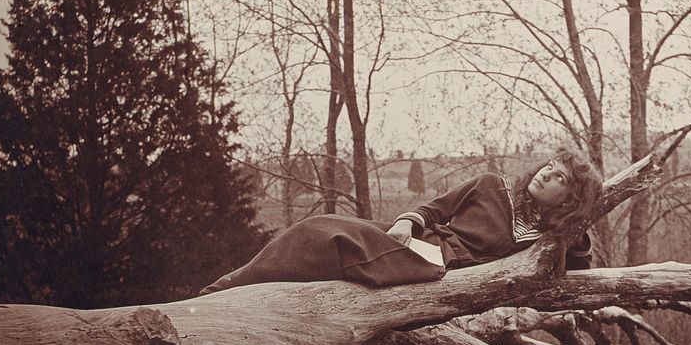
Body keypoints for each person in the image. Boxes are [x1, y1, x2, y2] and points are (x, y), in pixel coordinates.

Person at [198, 147, 602, 295]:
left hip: (436, 269)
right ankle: (224, 288)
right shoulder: (490, 184)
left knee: (335, 242)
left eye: (560, 177)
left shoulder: (544, 240)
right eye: (548, 166)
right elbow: (433, 210)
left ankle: (229, 287)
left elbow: (580, 271)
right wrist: (408, 221)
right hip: (420, 243)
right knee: (321, 229)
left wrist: (577, 229)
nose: (546, 174)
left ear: (569, 198)